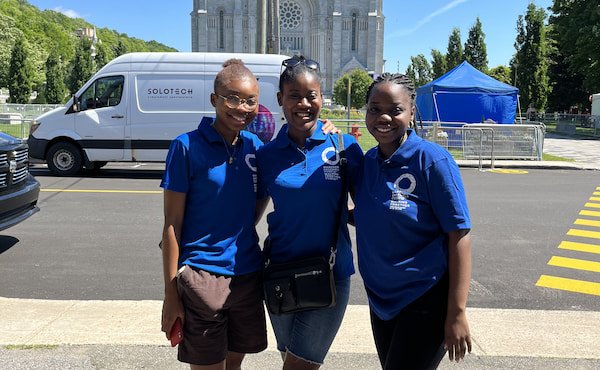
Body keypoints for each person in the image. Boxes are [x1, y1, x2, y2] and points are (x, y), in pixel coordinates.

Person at [353, 73, 473, 369]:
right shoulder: (367, 162)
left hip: (424, 298)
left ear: (411, 112)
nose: (384, 117)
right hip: (381, 301)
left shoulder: (432, 160)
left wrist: (456, 312)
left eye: (395, 110)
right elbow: (371, 214)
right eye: (374, 108)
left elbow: (459, 234)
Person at [256, 56, 363, 370]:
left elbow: (369, 210)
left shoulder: (345, 148)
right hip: (279, 275)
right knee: (290, 357)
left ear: (321, 97)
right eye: (294, 96)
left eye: (311, 95)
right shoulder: (267, 155)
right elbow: (249, 216)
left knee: (299, 366)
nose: (303, 103)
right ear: (280, 100)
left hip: (329, 274)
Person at [160, 59, 268, 370]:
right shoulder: (186, 147)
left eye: (250, 100)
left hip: (247, 274)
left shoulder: (255, 147)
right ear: (214, 100)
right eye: (232, 98)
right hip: (201, 277)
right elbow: (171, 225)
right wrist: (171, 294)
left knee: (233, 365)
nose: (241, 107)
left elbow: (257, 202)